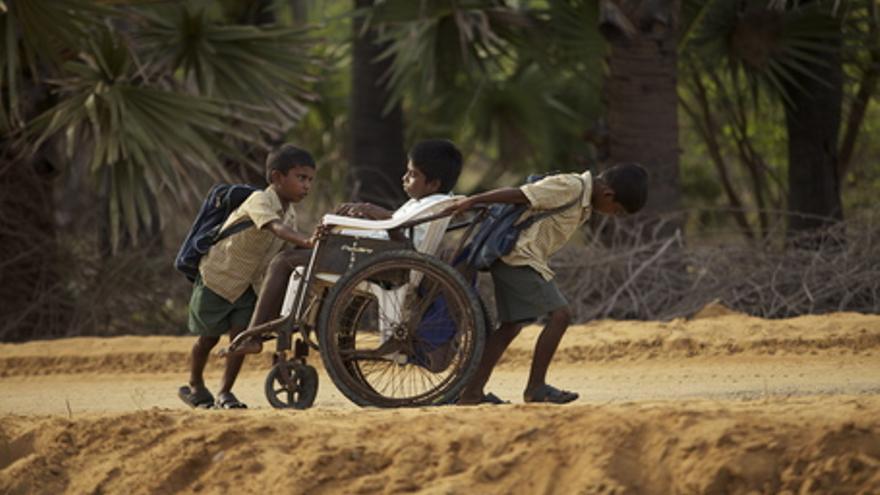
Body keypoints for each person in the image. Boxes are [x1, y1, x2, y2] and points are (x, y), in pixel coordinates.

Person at [445, 162, 648, 405]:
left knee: (511, 326)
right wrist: (473, 200)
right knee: (560, 315)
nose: (613, 215)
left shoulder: (582, 199)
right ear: (608, 194)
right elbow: (521, 194)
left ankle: (471, 393)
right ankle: (536, 388)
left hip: (522, 258)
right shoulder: (570, 186)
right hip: (517, 257)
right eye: (616, 211)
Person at [241, 139, 464, 339]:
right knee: (303, 255)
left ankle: (254, 332)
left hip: (379, 261)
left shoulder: (428, 204)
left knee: (283, 261)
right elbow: (402, 227)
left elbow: (403, 238)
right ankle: (304, 325)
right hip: (380, 256)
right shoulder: (432, 202)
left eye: (412, 174)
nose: (404, 178)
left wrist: (371, 211)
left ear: (433, 184)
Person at [178, 144, 318, 409]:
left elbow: (288, 247)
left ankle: (225, 392)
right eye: (301, 178)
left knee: (240, 338)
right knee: (207, 338)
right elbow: (275, 228)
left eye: (310, 180)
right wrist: (307, 240)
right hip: (218, 278)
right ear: (277, 177)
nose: (306, 186)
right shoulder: (259, 201)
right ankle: (195, 383)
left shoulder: (291, 214)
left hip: (250, 286)